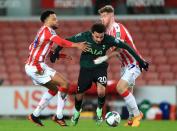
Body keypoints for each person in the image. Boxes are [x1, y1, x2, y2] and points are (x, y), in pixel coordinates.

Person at [51, 23, 149, 126]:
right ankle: (77, 112)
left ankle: (99, 111)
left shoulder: (108, 39)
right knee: (79, 94)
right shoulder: (85, 36)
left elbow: (126, 47)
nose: (99, 39)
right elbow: (66, 40)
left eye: (101, 36)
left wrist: (141, 61)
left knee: (101, 91)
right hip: (86, 68)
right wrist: (56, 52)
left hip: (100, 67)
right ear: (92, 34)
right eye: (96, 37)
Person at [25, 10, 88, 127]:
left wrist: (60, 55)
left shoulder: (43, 32)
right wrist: (77, 45)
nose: (56, 20)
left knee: (54, 89)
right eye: (54, 18)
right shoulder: (47, 31)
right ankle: (59, 116)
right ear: (46, 20)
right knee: (65, 84)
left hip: (32, 66)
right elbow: (61, 42)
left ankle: (35, 115)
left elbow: (32, 48)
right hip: (36, 65)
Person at [95, 5, 148, 127]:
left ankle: (137, 114)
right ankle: (131, 118)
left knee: (120, 88)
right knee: (128, 91)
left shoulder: (117, 28)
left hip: (134, 63)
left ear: (111, 15)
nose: (101, 19)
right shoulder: (108, 32)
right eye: (100, 16)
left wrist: (104, 57)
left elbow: (118, 48)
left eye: (104, 16)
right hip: (125, 65)